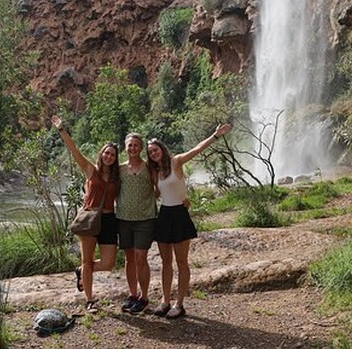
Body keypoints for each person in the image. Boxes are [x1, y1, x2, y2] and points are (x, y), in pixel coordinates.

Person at [148, 123, 232, 319]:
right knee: (165, 262)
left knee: (182, 261)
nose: (153, 153)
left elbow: (196, 150)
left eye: (155, 150)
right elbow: (155, 193)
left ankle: (179, 304)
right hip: (164, 215)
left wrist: (215, 135)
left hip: (179, 215)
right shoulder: (154, 173)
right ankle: (165, 301)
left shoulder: (176, 162)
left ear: (162, 149)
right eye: (150, 152)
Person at [52, 115, 120, 314]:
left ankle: (83, 272)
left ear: (116, 158)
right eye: (106, 153)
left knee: (108, 263)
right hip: (89, 219)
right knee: (87, 259)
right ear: (102, 154)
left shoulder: (118, 176)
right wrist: (61, 129)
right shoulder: (91, 170)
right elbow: (75, 150)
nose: (109, 156)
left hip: (109, 219)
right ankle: (90, 300)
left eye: (112, 155)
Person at [116, 132, 157, 314]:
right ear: (125, 147)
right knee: (129, 258)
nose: (133, 148)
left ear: (141, 148)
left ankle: (144, 297)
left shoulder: (149, 168)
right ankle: (132, 295)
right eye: (130, 145)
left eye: (136, 145)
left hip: (145, 219)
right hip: (124, 219)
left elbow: (159, 187)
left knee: (141, 257)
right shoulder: (119, 169)